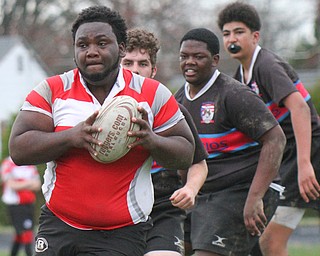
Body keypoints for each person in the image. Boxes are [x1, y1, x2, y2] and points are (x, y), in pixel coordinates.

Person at [8, 6, 195, 256]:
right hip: (59, 225)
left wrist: (151, 141)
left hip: (122, 233)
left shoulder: (152, 94)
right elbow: (18, 149)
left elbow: (185, 152)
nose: (92, 51)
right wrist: (71, 137)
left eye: (102, 43)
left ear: (120, 47)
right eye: (82, 45)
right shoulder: (53, 90)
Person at [217, 2, 320, 255]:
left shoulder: (266, 65)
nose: (232, 39)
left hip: (305, 152)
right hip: (286, 158)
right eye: (227, 33)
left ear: (255, 36)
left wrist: (305, 164)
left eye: (239, 32)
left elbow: (301, 109)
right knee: (261, 239)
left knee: (270, 241)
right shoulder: (241, 75)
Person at [175, 28, 286, 256]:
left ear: (215, 60)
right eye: (184, 56)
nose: (190, 62)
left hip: (243, 189)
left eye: (198, 57)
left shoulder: (233, 94)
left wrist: (255, 198)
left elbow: (276, 139)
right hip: (205, 193)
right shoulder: (178, 99)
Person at [122, 28, 208, 256]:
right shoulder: (98, 112)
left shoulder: (173, 111)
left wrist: (190, 188)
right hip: (117, 214)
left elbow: (198, 163)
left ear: (153, 70)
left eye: (142, 64)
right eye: (127, 63)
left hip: (163, 210)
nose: (135, 70)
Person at [1, 156, 41, 256]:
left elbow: (37, 185)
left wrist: (20, 182)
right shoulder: (8, 163)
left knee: (20, 233)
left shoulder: (30, 164)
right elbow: (11, 185)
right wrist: (29, 183)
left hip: (28, 204)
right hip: (15, 204)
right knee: (26, 232)